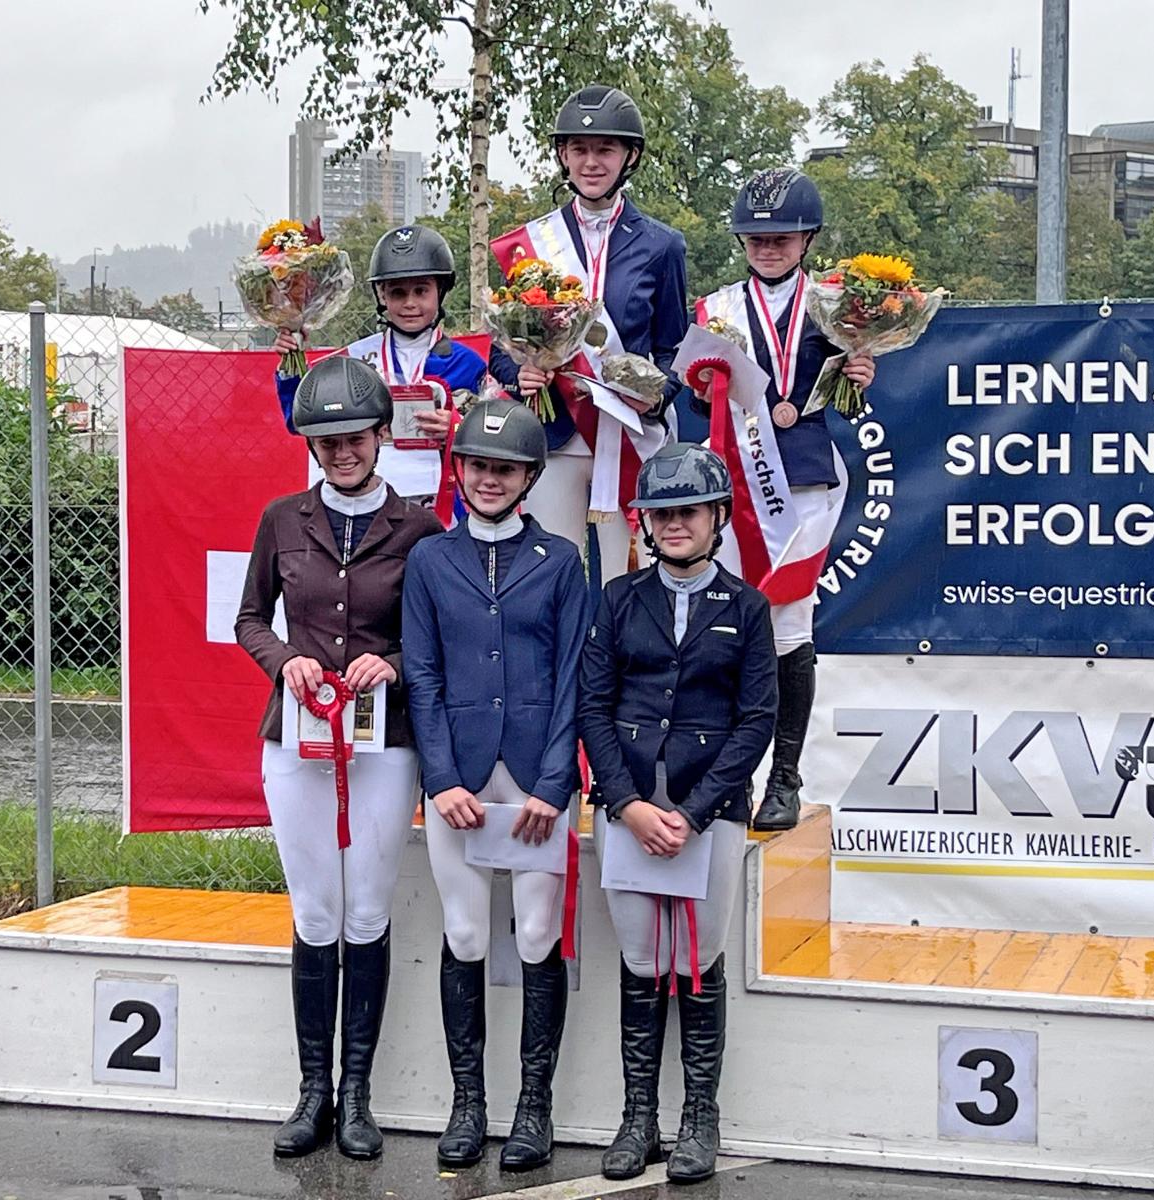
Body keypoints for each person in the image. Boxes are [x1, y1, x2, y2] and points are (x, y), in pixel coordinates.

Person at [235, 354, 443, 1160]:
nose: (342, 453)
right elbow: (249, 618)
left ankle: (358, 1096)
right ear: (311, 448)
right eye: (326, 443)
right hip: (297, 742)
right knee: (314, 913)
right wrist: (283, 656)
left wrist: (388, 661)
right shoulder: (281, 520)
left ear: (381, 437)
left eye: (354, 438)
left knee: (366, 914)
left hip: (383, 746)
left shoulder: (420, 529)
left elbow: (429, 637)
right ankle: (311, 1093)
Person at [577, 443, 776, 1184]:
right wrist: (626, 804)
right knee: (640, 961)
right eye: (660, 514)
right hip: (629, 803)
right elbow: (593, 706)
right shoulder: (619, 598)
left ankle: (700, 1117)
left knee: (695, 962)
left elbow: (755, 719)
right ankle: (638, 1117)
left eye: (686, 511)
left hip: (708, 808)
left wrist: (690, 814)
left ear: (716, 516)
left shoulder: (747, 608)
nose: (672, 525)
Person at [403, 398, 591, 1172]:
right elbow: (419, 671)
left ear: (527, 476)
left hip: (535, 778)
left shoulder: (562, 561)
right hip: (460, 781)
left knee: (540, 934)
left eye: (503, 468)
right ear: (459, 469)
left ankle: (533, 1108)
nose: (488, 479)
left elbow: (579, 671)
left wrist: (555, 784)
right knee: (467, 934)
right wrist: (440, 778)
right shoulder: (429, 560)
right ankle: (467, 1103)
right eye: (477, 465)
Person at [686, 167, 875, 832]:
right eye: (755, 236)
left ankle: (787, 777)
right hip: (734, 487)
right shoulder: (715, 308)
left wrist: (860, 370)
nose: (767, 246)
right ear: (741, 240)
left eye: (782, 236)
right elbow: (692, 391)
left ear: (806, 239)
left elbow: (853, 394)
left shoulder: (837, 302)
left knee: (791, 628)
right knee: (732, 627)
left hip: (803, 480)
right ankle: (728, 772)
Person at [490, 84, 688, 584]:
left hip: (629, 438)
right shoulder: (530, 245)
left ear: (630, 156)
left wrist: (655, 395)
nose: (592, 161)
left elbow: (674, 349)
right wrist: (523, 372)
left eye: (606, 149)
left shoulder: (663, 245)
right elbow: (501, 349)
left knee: (634, 584)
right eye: (579, 149)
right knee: (545, 581)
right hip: (555, 435)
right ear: (563, 155)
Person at [275, 223, 488, 518]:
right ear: (382, 297)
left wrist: (456, 427)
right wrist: (291, 361)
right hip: (372, 504)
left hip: (445, 508)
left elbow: (491, 440)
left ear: (441, 291)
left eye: (421, 291)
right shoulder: (355, 359)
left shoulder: (469, 364)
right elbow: (298, 421)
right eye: (398, 293)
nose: (410, 303)